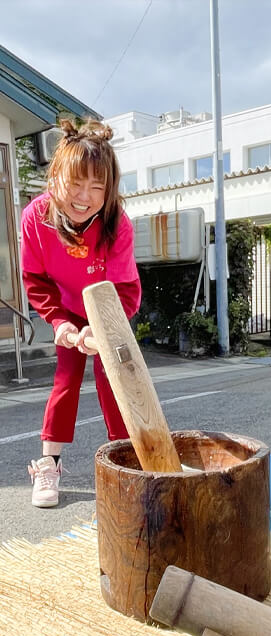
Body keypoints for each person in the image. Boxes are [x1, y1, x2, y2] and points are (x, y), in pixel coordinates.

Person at [20, 119, 140, 508]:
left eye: (97, 186)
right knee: (66, 378)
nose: (84, 196)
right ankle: (48, 465)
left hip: (110, 308)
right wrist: (61, 323)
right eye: (76, 182)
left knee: (114, 380)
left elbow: (122, 287)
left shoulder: (116, 222)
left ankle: (127, 468)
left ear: (110, 191)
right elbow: (35, 279)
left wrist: (101, 330)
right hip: (69, 312)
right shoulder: (36, 218)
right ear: (56, 177)